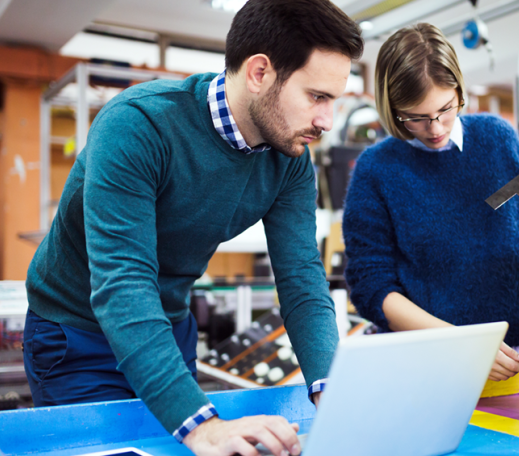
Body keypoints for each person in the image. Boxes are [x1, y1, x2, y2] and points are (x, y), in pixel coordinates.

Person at [22, 1, 362, 455]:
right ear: (259, 72)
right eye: (317, 97)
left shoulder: (289, 159)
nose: (327, 121)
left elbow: (302, 280)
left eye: (334, 100)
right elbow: (123, 283)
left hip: (167, 329)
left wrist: (329, 389)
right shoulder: (138, 126)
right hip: (77, 335)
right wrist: (201, 426)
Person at [343, 23, 519, 383]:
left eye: (446, 108)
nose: (435, 128)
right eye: (416, 117)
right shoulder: (377, 169)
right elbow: (372, 287)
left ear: (459, 89)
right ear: (392, 108)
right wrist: (462, 344)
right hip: (432, 374)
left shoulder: (498, 138)